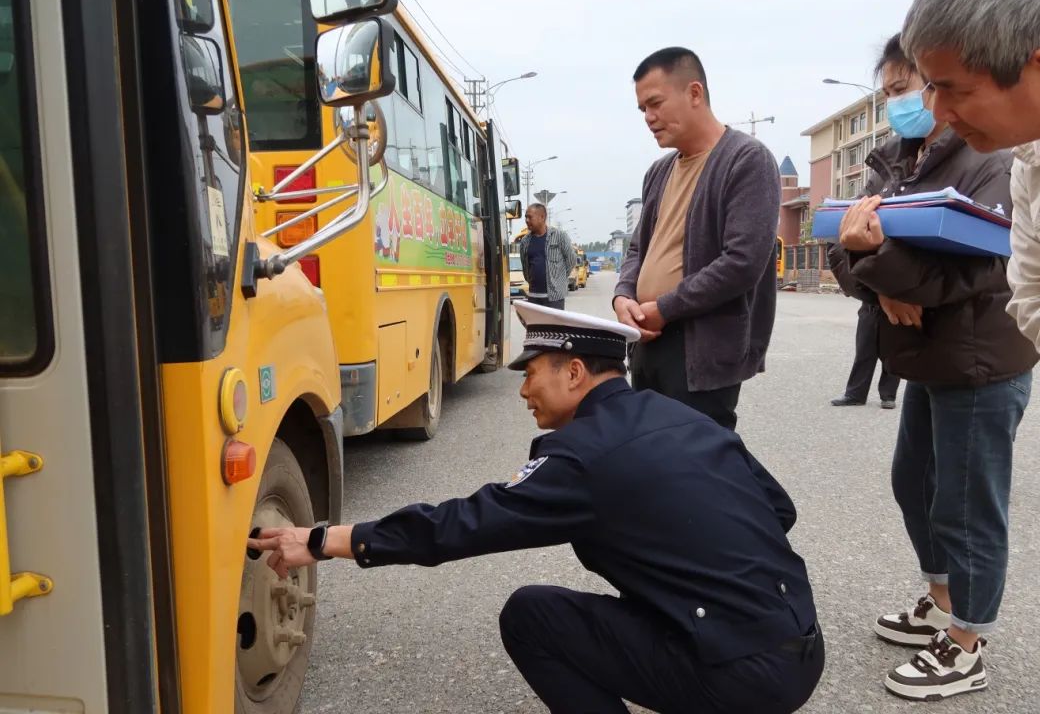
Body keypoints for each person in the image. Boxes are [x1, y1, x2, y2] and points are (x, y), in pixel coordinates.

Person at [249, 301, 824, 714]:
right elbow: (778, 509)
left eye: (532, 374)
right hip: (802, 644)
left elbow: (467, 525)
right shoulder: (679, 415)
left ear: (574, 373)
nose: (523, 391)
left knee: (531, 617)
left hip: (743, 678)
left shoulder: (583, 455)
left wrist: (325, 540)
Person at [828, 34, 1039, 702]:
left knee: (968, 503)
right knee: (913, 481)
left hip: (981, 358)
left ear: (945, 86)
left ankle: (968, 641)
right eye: (888, 91)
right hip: (926, 356)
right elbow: (842, 247)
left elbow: (981, 267)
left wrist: (880, 264)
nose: (899, 103)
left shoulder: (989, 157)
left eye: (908, 87)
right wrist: (880, 278)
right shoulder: (893, 161)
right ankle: (942, 604)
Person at [900, 0, 1040, 371]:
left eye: (957, 90)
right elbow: (1032, 312)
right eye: (933, 88)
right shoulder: (1032, 163)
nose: (938, 111)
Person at [613, 47, 779, 431]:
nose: (649, 118)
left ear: (694, 93)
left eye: (655, 103)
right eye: (642, 110)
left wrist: (665, 307)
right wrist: (623, 296)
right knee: (650, 456)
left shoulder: (746, 160)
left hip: (700, 348)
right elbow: (638, 248)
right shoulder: (659, 171)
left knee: (697, 468)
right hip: (647, 339)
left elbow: (742, 262)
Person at [830, 298, 901, 409]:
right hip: (869, 307)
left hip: (895, 308)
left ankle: (888, 396)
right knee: (863, 351)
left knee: (891, 354)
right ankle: (855, 394)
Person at [519, 203, 576, 310]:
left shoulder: (559, 236)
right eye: (525, 217)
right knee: (535, 327)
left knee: (554, 327)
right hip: (533, 297)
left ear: (542, 217)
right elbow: (525, 266)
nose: (527, 220)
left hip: (554, 298)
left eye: (530, 217)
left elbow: (571, 261)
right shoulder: (525, 241)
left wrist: (558, 279)